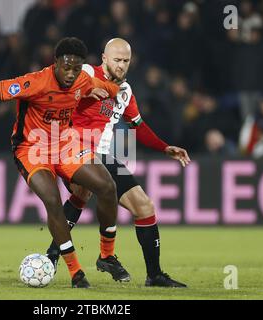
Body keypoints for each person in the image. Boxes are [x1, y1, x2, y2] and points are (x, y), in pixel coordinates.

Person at [0, 37, 127, 288]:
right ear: (55, 63)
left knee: (107, 186)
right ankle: (76, 273)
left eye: (76, 68)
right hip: (32, 149)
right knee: (52, 200)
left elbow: (106, 87)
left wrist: (112, 91)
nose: (71, 74)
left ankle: (106, 255)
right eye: (66, 67)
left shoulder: (82, 80)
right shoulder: (35, 82)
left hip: (64, 146)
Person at [45, 38, 190, 287]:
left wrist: (164, 147)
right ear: (104, 58)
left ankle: (153, 275)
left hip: (100, 155)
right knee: (85, 190)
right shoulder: (87, 73)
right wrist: (85, 91)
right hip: (70, 150)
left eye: (126, 61)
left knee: (143, 207)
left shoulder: (126, 91)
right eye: (117, 60)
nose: (121, 66)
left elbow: (138, 127)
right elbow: (60, 93)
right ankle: (104, 255)